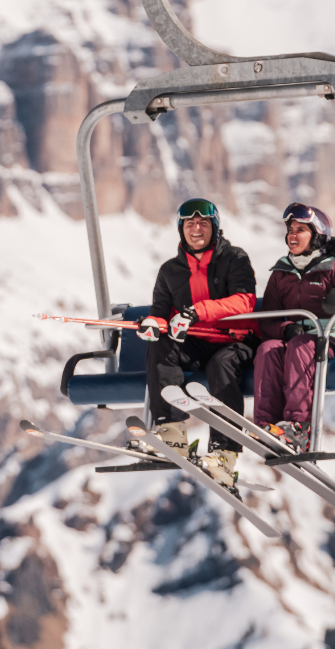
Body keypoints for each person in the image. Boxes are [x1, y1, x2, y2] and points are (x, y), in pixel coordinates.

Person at [135, 198, 256, 486]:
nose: (196, 229)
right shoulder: (170, 271)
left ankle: (223, 454)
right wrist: (154, 325)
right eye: (190, 224)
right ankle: (172, 434)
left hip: (233, 342)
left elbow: (244, 301)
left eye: (203, 223)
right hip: (195, 344)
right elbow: (161, 314)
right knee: (161, 346)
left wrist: (196, 312)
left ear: (215, 227)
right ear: (181, 229)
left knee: (221, 365)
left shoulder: (235, 259)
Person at [254, 203, 335, 453]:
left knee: (301, 345)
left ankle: (298, 427)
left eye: (300, 230)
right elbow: (267, 320)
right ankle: (267, 426)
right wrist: (285, 329)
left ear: (317, 235)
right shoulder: (281, 274)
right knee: (269, 349)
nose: (292, 235)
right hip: (298, 343)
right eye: (290, 230)